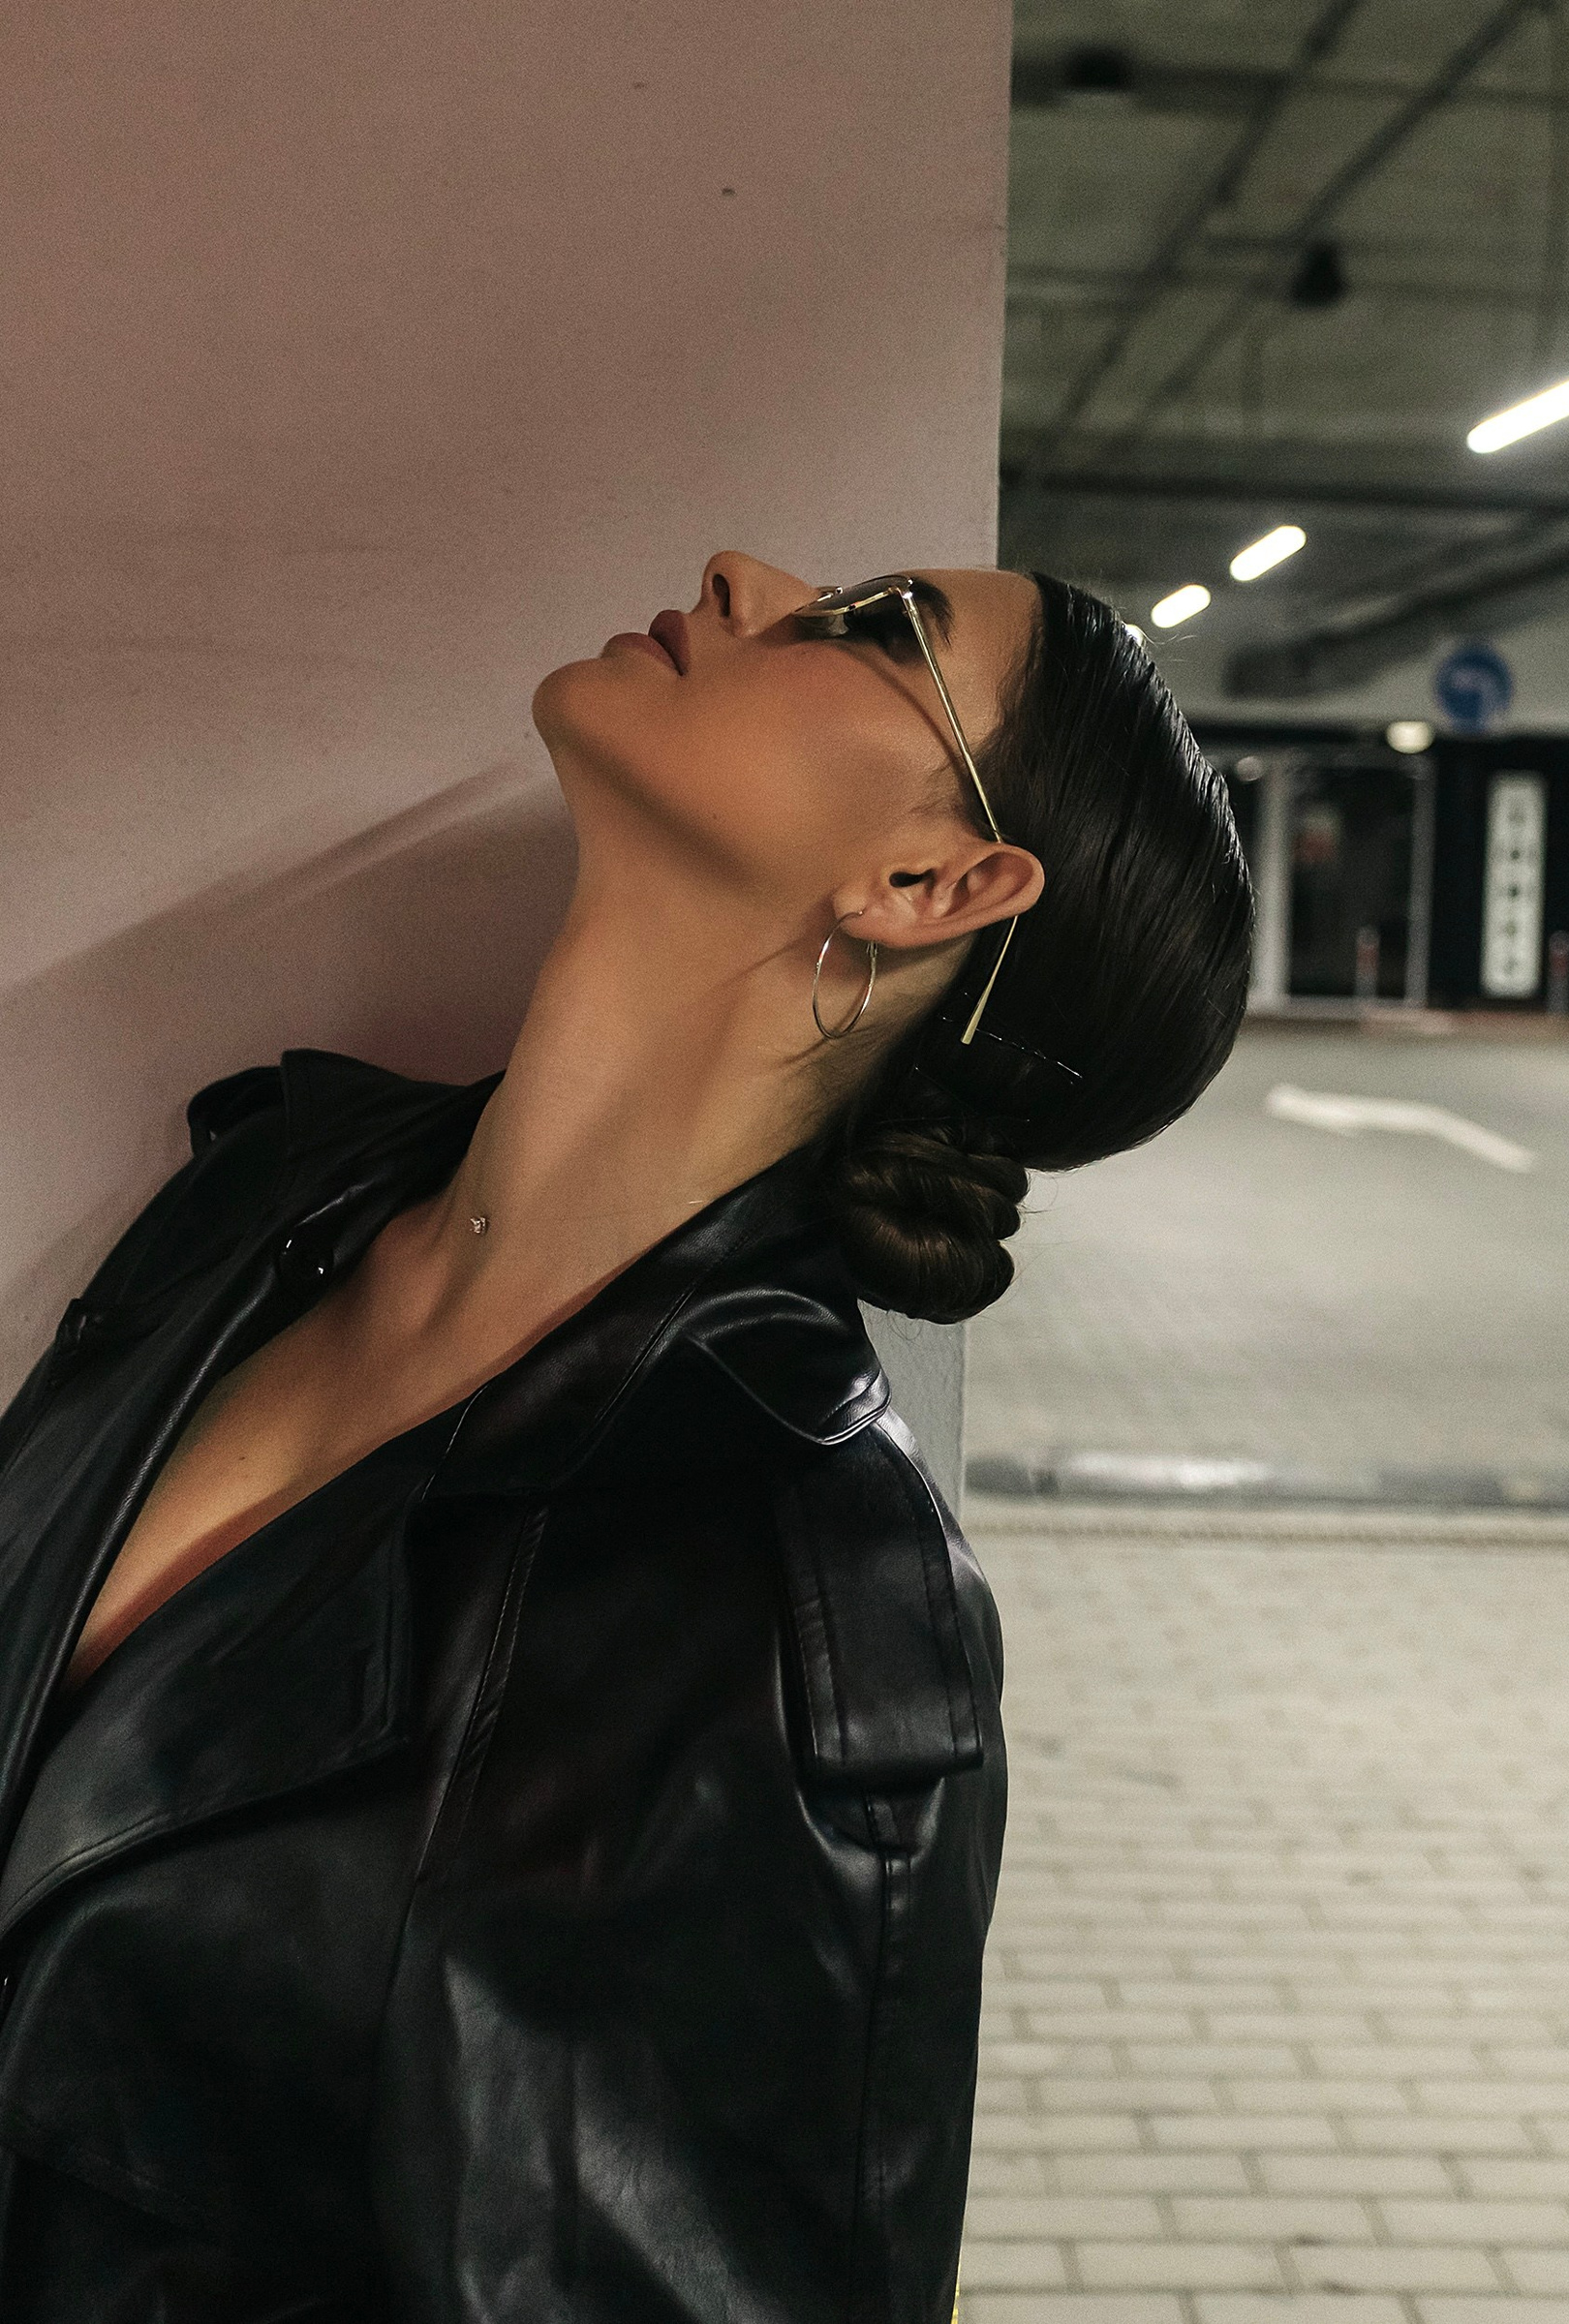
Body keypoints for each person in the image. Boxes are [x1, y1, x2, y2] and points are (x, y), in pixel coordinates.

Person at [0, 553, 1253, 2320]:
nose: (746, 572)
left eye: (879, 627)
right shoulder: (274, 1193)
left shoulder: (804, 1618)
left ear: (929, 883)